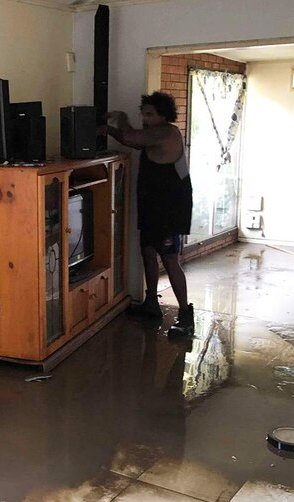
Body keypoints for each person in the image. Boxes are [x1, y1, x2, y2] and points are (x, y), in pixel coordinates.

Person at [103, 92, 195, 337]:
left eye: (149, 114)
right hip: (153, 204)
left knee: (169, 258)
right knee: (148, 251)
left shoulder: (165, 132)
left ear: (163, 115)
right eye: (142, 114)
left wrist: (120, 119)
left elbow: (132, 136)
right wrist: (109, 132)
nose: (144, 118)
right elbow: (132, 140)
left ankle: (186, 314)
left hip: (170, 207)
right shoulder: (154, 133)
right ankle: (151, 303)